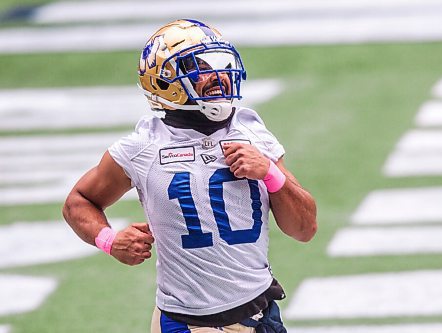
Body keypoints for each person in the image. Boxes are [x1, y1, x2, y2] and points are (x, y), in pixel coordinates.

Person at [63, 19, 317, 333]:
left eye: (221, 66)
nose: (219, 76)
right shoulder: (144, 147)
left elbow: (305, 229)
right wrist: (109, 240)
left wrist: (270, 173)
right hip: (190, 323)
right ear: (165, 80)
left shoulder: (253, 134)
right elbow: (79, 201)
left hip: (262, 314)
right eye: (200, 68)